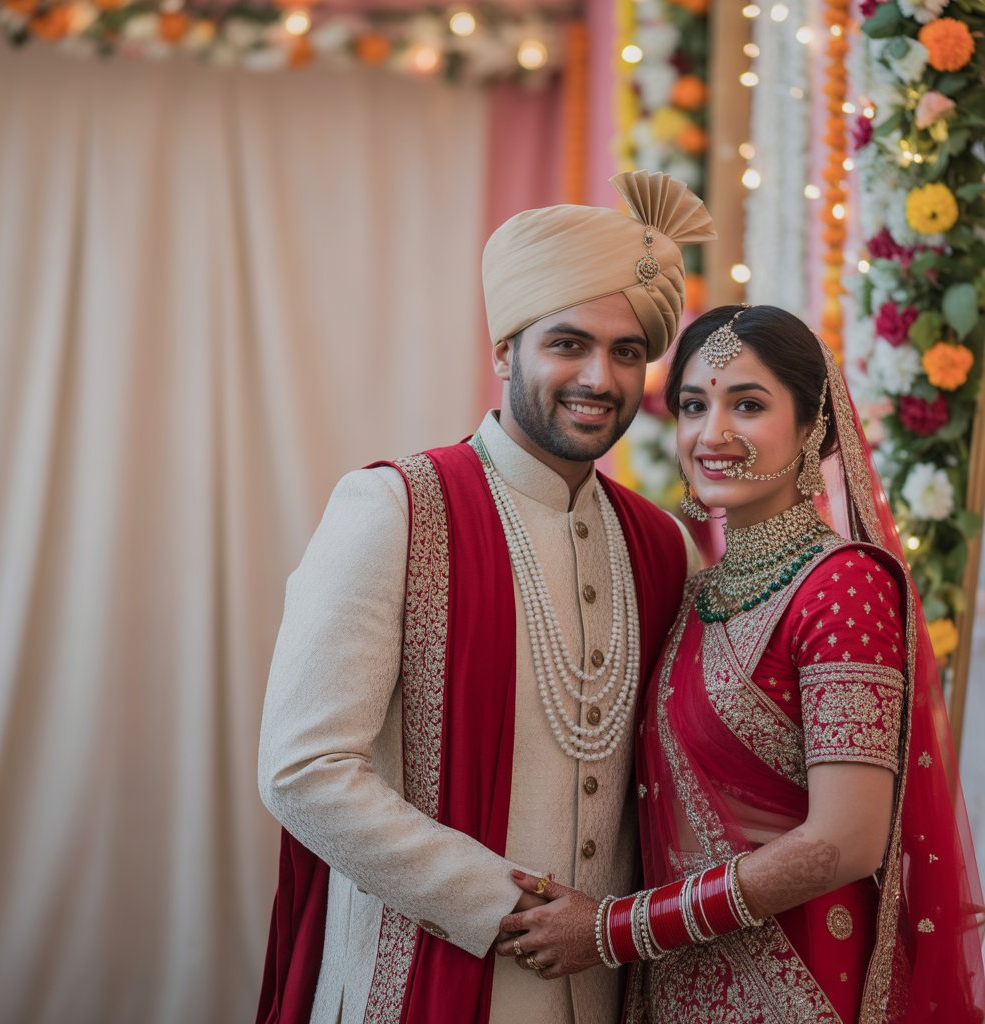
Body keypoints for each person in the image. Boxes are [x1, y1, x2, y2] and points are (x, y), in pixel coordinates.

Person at [253, 170, 716, 1024]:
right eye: (568, 343)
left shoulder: (664, 547)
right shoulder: (395, 509)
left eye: (626, 352)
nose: (600, 377)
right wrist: (508, 907)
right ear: (505, 351)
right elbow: (303, 769)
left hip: (608, 991)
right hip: (419, 976)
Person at [496, 304, 985, 1023]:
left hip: (800, 990)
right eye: (694, 406)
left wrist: (613, 930)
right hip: (675, 987)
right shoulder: (698, 591)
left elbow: (847, 840)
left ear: (814, 426)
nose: (712, 435)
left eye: (748, 405)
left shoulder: (844, 585)